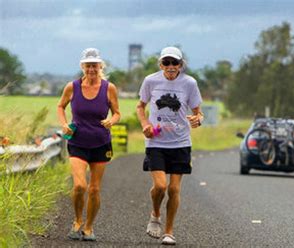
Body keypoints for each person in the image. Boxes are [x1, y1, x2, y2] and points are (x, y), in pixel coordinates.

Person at [136, 46, 203, 245]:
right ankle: (155, 215)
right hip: (156, 142)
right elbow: (140, 106)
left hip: (181, 143)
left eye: (175, 63)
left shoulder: (189, 83)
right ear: (161, 64)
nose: (171, 66)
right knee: (160, 186)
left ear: (181, 65)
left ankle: (169, 231)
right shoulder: (151, 81)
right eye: (166, 62)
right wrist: (145, 124)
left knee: (174, 189)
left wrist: (198, 119)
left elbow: (198, 112)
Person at [57, 48, 121, 241]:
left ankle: (89, 227)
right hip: (77, 142)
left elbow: (117, 112)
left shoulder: (109, 88)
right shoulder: (72, 87)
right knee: (79, 186)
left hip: (101, 143)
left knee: (94, 189)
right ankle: (77, 221)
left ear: (100, 66)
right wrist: (64, 124)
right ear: (82, 66)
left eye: (95, 65)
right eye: (88, 65)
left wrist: (112, 121)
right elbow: (60, 106)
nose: (91, 69)